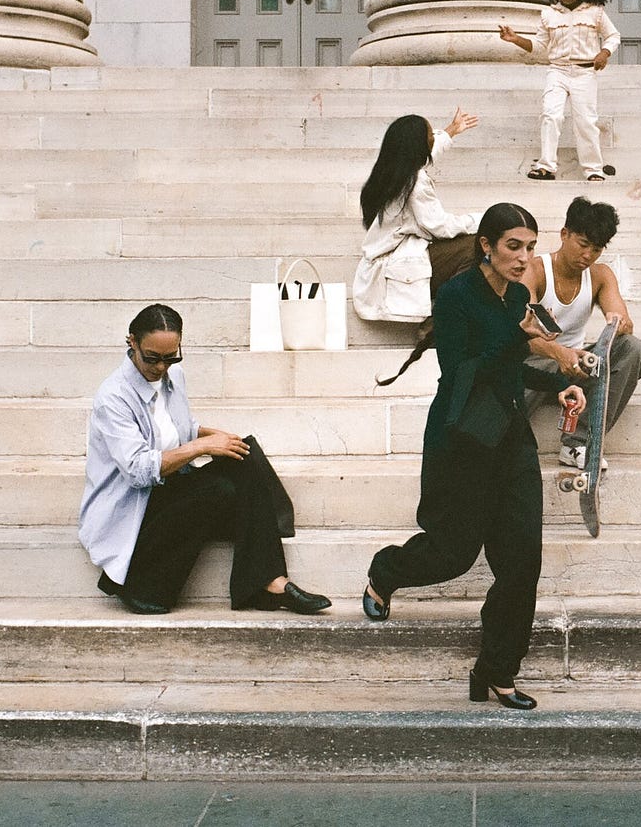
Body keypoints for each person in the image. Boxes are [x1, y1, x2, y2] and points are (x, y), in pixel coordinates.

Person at [362, 203, 585, 710]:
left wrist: (560, 385)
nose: (524, 258)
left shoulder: (517, 299)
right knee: (453, 553)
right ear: (486, 244)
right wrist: (522, 334)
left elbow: (510, 370)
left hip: (510, 441)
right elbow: (463, 370)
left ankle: (497, 671)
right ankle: (386, 572)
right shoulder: (457, 296)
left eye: (530, 248)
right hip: (462, 439)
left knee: (522, 562)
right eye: (513, 246)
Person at [79, 304, 330, 616]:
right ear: (131, 342)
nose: (161, 367)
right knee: (218, 490)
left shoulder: (174, 376)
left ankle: (270, 583)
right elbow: (138, 471)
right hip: (132, 508)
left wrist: (213, 437)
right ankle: (143, 583)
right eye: (152, 358)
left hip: (166, 491)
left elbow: (178, 428)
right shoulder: (113, 397)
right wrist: (202, 446)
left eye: (171, 357)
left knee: (244, 452)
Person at [354, 108, 482, 386]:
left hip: (389, 256)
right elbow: (440, 227)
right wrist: (482, 219)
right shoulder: (415, 183)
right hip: (394, 263)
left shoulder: (392, 170)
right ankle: (440, 318)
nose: (432, 137)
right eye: (429, 134)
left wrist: (450, 131)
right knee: (477, 246)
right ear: (417, 146)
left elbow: (428, 150)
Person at [521, 196, 641, 470]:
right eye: (583, 244)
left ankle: (578, 443)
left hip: (575, 365)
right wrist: (558, 352)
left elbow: (623, 321)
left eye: (597, 249)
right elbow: (524, 334)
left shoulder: (600, 275)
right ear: (564, 234)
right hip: (537, 363)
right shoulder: (535, 270)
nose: (588, 255)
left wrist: (618, 324)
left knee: (632, 347)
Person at [498, 0, 620, 182]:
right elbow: (539, 46)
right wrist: (515, 39)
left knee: (585, 121)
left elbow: (613, 36)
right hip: (558, 71)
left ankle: (593, 169)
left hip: (585, 73)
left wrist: (604, 53)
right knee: (551, 115)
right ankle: (546, 166)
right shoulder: (549, 14)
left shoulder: (596, 12)